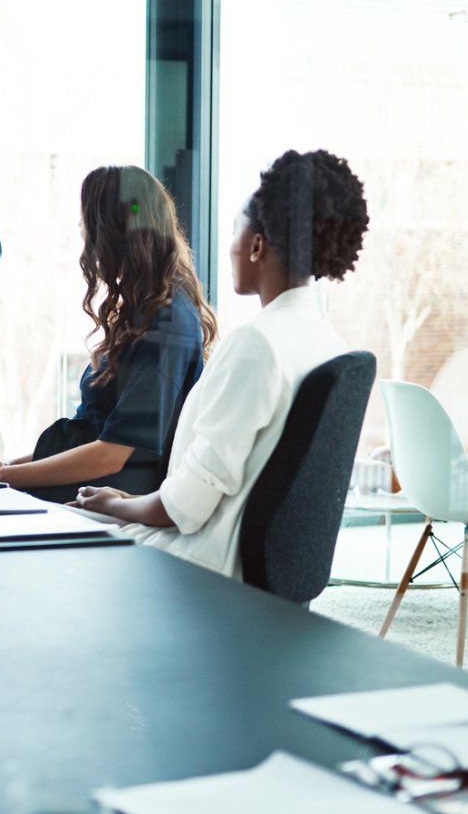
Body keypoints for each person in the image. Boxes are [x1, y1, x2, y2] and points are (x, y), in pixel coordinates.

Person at [74, 150, 369, 576]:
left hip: (197, 564)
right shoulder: (326, 340)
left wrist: (117, 504)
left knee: (41, 536)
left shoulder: (257, 344)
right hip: (240, 563)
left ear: (256, 245)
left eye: (235, 229)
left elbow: (184, 508)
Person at [0, 166, 214, 502]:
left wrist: (5, 475)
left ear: (111, 232)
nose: (82, 231)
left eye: (87, 222)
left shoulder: (166, 322)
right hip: (93, 483)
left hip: (108, 494)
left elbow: (113, 453)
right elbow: (93, 436)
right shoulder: (145, 308)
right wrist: (4, 467)